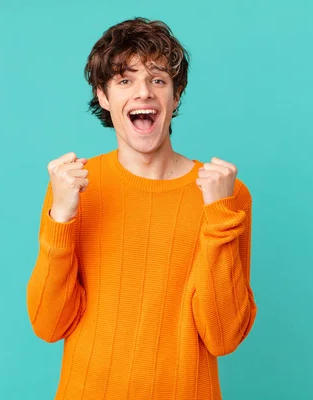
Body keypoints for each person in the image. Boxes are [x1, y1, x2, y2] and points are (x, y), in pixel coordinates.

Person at [26, 17, 257, 399]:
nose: (143, 93)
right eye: (125, 80)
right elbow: (48, 325)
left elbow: (224, 337)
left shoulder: (225, 194)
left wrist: (219, 215)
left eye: (158, 79)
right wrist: (62, 218)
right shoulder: (74, 187)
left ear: (176, 96)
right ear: (103, 96)